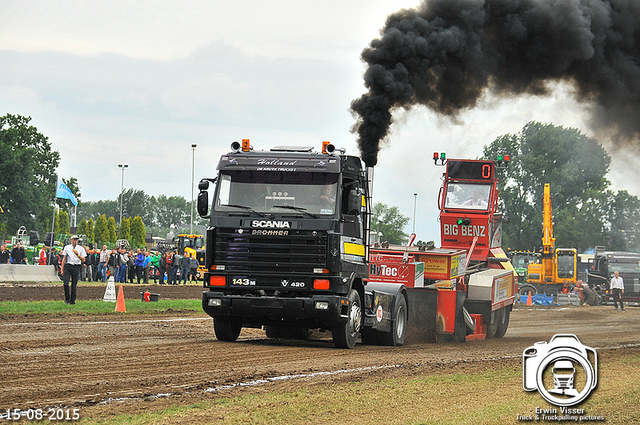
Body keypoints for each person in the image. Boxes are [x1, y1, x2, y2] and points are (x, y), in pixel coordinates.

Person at [60, 235, 86, 304]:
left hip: (76, 266)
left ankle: (72, 300)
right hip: (68, 266)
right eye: (74, 240)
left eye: (76, 240)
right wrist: (62, 268)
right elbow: (64, 258)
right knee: (65, 283)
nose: (75, 241)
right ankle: (67, 299)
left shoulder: (80, 249)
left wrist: (78, 255)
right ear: (71, 240)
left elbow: (83, 259)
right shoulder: (67, 247)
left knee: (74, 285)